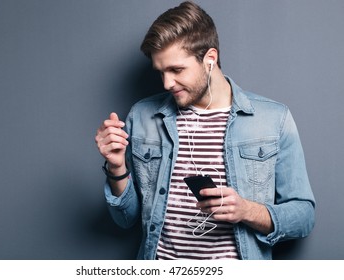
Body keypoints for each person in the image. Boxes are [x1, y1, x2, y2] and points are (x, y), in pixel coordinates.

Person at [95, 1, 315, 260]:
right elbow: (126, 219)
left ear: (210, 59)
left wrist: (247, 211)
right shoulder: (142, 116)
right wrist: (116, 168)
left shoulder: (273, 119)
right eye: (161, 72)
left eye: (177, 70)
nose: (167, 83)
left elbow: (303, 217)